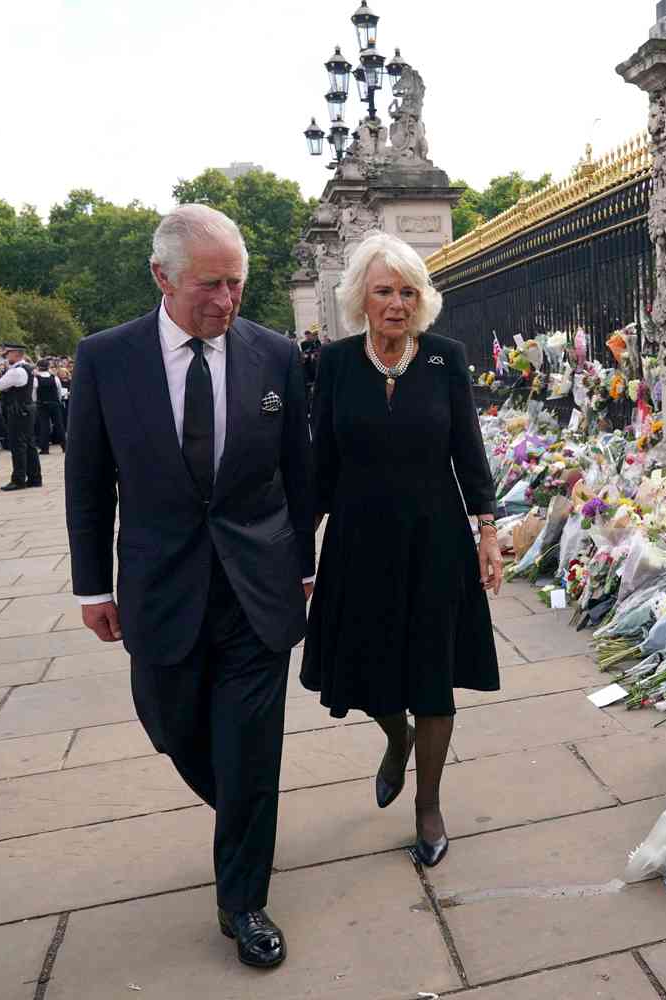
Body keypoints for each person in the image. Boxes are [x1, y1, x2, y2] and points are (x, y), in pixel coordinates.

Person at [65, 204, 314, 970]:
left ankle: (242, 899)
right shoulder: (107, 359)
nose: (226, 301)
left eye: (236, 283)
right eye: (209, 284)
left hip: (257, 586)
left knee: (250, 749)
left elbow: (299, 475)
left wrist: (303, 564)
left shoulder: (273, 356)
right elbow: (87, 481)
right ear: (161, 276)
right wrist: (90, 587)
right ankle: (242, 814)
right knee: (171, 724)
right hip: (159, 585)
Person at [302, 231, 501, 868]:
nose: (396, 302)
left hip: (436, 537)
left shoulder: (444, 358)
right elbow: (320, 460)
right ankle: (396, 738)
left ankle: (428, 803)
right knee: (373, 669)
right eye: (384, 290)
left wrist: (488, 531)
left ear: (423, 299)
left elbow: (468, 449)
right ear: (361, 296)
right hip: (359, 540)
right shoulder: (333, 363)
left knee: (433, 673)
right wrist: (301, 543)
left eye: (408, 291)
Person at [0, 344, 40, 490]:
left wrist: (6, 384)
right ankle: (34, 477)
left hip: (18, 409)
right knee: (29, 444)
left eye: (8, 354)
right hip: (27, 407)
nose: (6, 356)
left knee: (17, 445)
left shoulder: (16, 371)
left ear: (16, 354)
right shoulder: (28, 369)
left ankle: (18, 479)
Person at [35, 359, 67, 453]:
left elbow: (34, 393)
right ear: (48, 367)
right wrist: (58, 401)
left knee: (44, 426)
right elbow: (59, 391)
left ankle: (45, 449)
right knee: (59, 425)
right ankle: (65, 446)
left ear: (38, 367)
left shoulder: (36, 379)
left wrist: (36, 401)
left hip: (42, 404)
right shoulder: (54, 378)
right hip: (54, 403)